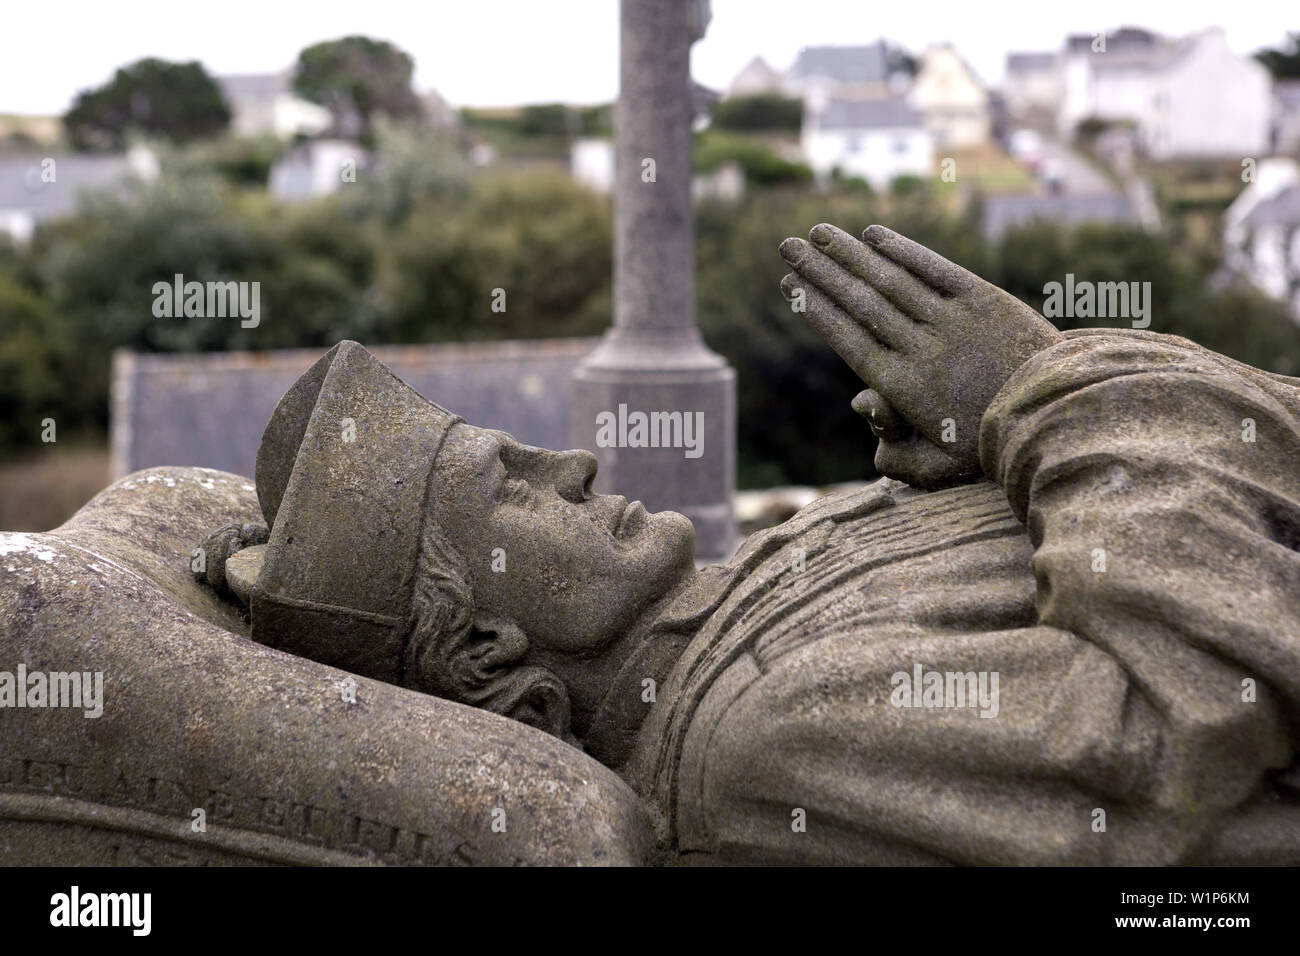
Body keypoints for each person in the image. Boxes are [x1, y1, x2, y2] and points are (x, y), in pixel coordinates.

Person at [197, 225, 1300, 865]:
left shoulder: (742, 607)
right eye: (512, 488)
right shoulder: (771, 743)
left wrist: (1001, 456)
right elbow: (1191, 715)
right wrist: (1043, 390)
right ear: (485, 645)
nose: (570, 466)